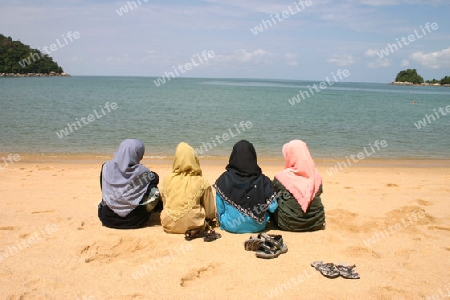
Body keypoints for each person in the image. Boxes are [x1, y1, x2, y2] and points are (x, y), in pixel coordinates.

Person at [214, 140, 277, 233]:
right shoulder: (263, 180)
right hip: (258, 226)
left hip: (230, 225)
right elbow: (273, 207)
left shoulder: (224, 179)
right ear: (253, 156)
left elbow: (220, 210)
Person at [98, 139, 161, 229]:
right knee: (154, 190)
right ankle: (157, 209)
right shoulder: (142, 171)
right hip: (135, 220)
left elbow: (103, 187)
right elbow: (155, 178)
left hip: (108, 217)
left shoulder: (106, 167)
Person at [160, 142, 216, 234]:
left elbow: (166, 204)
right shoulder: (201, 182)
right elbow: (210, 213)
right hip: (195, 225)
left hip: (168, 225)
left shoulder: (167, 179)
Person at [273, 140, 325, 232]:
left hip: (288, 224)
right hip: (316, 222)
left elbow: (274, 196)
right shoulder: (316, 176)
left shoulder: (281, 177)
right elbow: (319, 193)